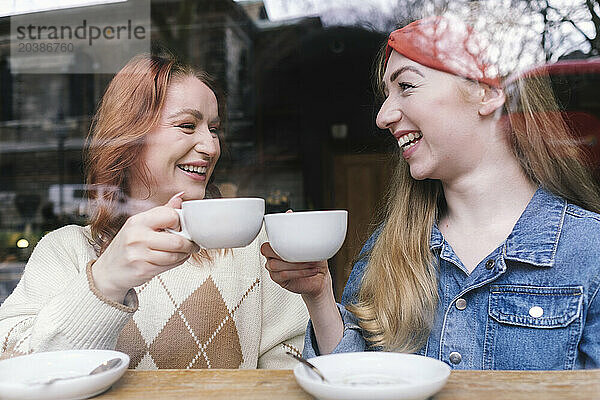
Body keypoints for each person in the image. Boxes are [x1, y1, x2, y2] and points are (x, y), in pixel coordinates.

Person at [261, 16, 600, 370]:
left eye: (406, 86)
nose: (382, 116)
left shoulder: (590, 249)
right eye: (387, 95)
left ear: (489, 92)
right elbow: (354, 380)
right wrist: (319, 296)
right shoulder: (387, 249)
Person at [0, 54, 308, 369]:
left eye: (213, 128)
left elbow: (293, 369)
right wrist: (105, 281)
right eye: (188, 125)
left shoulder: (254, 245)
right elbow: (12, 365)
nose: (211, 146)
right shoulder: (65, 250)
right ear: (129, 137)